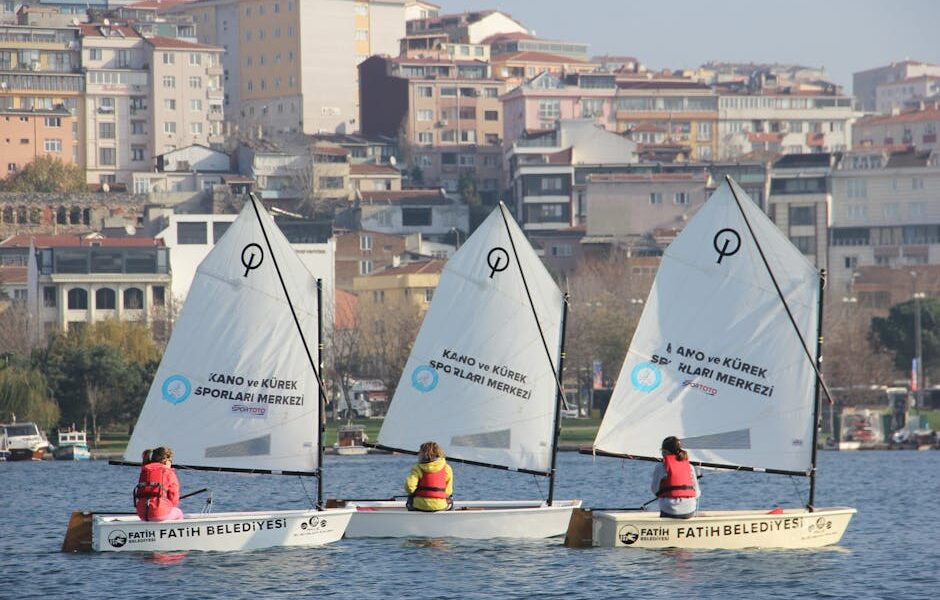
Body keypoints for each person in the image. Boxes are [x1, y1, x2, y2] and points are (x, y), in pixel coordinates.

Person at [651, 436, 699, 519]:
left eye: (662, 451)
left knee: (665, 505)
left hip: (669, 510)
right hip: (689, 510)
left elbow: (654, 490)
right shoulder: (689, 466)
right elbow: (697, 493)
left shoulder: (660, 466)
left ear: (665, 451)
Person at [134, 446, 184, 521]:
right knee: (179, 513)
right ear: (167, 461)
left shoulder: (145, 471)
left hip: (141, 513)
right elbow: (174, 498)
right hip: (159, 512)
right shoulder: (169, 472)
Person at [405, 441, 453, 512]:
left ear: (423, 454)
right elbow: (448, 491)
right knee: (450, 500)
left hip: (419, 506)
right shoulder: (447, 468)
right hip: (441, 506)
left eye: (420, 452)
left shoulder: (417, 468)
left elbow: (409, 487)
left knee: (411, 498)